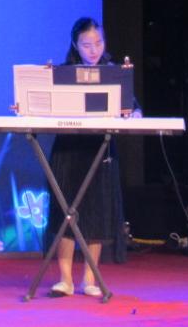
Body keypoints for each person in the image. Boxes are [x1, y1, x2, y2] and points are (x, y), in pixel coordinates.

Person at [46, 17, 130, 298]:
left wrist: (133, 112)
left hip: (100, 148)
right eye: (86, 45)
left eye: (98, 43)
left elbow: (131, 106)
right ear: (75, 45)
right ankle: (65, 279)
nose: (93, 50)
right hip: (69, 149)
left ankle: (90, 279)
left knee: (97, 210)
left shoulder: (113, 72)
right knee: (66, 211)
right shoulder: (63, 73)